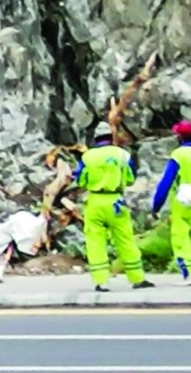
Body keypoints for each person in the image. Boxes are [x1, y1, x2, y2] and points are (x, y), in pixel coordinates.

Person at [73, 121, 155, 292]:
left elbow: (80, 180)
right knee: (125, 239)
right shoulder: (122, 155)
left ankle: (101, 281)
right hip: (116, 201)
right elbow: (131, 178)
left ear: (95, 139)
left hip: (95, 202)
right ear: (111, 138)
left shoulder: (87, 157)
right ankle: (137, 278)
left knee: (95, 242)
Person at [151, 120, 191, 286]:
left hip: (181, 201)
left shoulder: (178, 155)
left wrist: (156, 205)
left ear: (179, 136)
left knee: (180, 238)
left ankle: (188, 274)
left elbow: (166, 182)